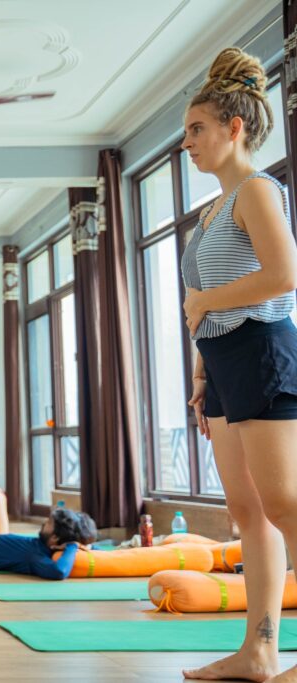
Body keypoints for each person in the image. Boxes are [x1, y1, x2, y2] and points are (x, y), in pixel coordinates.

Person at [178, 47, 297, 683]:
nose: (188, 143)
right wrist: (202, 376)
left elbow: (283, 276)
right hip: (223, 362)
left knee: (287, 505)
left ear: (234, 128)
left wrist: (204, 302)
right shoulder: (209, 213)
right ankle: (260, 651)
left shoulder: (256, 189)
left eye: (197, 129)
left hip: (263, 348)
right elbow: (207, 311)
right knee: (247, 513)